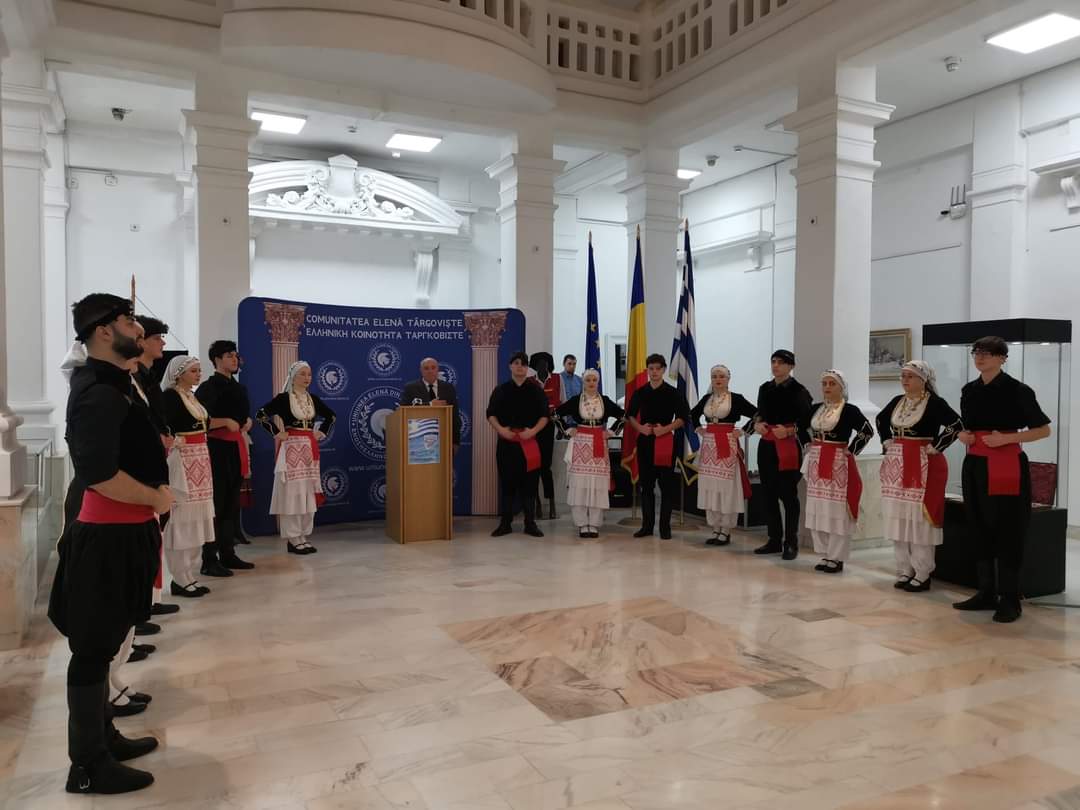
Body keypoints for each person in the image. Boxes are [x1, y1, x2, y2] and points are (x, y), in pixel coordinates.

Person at [48, 293, 171, 794]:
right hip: (106, 536)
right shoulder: (97, 391)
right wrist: (156, 497)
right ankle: (87, 765)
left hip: (127, 530)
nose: (138, 329)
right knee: (93, 649)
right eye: (128, 320)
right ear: (103, 331)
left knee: (106, 641)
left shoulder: (118, 382)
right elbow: (99, 474)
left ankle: (104, 737)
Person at [953, 336, 1052, 623]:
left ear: (1002, 358)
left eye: (987, 353)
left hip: (1006, 463)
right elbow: (966, 426)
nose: (980, 357)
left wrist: (1007, 439)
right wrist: (962, 435)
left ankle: (1010, 599)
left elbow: (1043, 430)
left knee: (1008, 529)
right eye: (976, 352)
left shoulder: (1018, 390)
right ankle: (986, 592)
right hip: (975, 464)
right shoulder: (969, 390)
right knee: (978, 525)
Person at [876, 360, 962, 592]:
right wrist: (886, 439)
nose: (905, 380)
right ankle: (904, 568)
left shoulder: (934, 403)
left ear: (923, 380)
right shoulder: (898, 401)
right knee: (899, 516)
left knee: (919, 517)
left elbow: (956, 424)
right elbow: (881, 419)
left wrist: (937, 446)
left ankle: (923, 572)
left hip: (924, 463)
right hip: (898, 463)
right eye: (903, 376)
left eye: (910, 376)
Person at [256, 361, 337, 554]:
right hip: (292, 449)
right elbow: (261, 415)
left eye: (309, 374)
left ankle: (303, 535)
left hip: (309, 449)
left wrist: (321, 432)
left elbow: (331, 416)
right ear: (293, 377)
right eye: (302, 374)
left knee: (307, 490)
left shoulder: (313, 399)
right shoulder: (284, 399)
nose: (307, 378)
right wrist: (277, 432)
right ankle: (293, 538)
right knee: (293, 492)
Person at [801, 369, 873, 573]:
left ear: (842, 387)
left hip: (837, 462)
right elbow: (799, 427)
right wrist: (807, 443)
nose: (827, 387)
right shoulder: (815, 408)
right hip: (817, 461)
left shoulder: (849, 410)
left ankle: (837, 556)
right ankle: (825, 553)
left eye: (832, 384)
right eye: (824, 383)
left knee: (836, 509)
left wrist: (852, 450)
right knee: (819, 507)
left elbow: (867, 431)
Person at [196, 340, 254, 575]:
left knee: (231, 503)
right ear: (217, 359)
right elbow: (199, 419)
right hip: (216, 448)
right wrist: (223, 422)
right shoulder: (207, 388)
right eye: (229, 355)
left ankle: (228, 553)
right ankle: (209, 558)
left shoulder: (239, 388)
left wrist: (246, 421)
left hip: (235, 447)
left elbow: (241, 415)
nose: (234, 359)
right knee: (217, 504)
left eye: (235, 355)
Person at [133, 316, 178, 621]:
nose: (162, 342)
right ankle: (140, 607)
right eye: (157, 337)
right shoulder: (131, 378)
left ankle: (152, 598)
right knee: (143, 536)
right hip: (140, 467)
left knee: (154, 533)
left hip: (156, 458)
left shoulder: (147, 376)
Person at [749, 350, 813, 559]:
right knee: (768, 493)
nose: (775, 365)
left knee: (788, 495)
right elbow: (760, 413)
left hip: (788, 445)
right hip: (767, 444)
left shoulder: (799, 391)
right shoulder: (765, 388)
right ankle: (774, 539)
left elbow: (807, 421)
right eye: (773, 361)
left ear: (790, 366)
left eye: (781, 362)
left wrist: (790, 430)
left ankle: (791, 542)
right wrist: (757, 424)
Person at [160, 355, 215, 597]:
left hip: (200, 459)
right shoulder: (170, 396)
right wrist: (175, 441)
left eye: (199, 370)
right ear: (178, 374)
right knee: (182, 517)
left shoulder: (192, 396)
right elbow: (163, 426)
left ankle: (189, 574)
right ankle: (179, 577)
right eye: (193, 371)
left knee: (198, 517)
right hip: (183, 460)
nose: (198, 374)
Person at [689, 365, 757, 546]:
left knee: (726, 487)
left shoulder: (736, 399)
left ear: (728, 379)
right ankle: (715, 527)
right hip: (709, 446)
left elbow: (758, 414)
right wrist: (698, 428)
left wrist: (743, 431)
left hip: (727, 444)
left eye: (721, 376)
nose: (717, 379)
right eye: (714, 376)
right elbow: (692, 414)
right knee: (711, 485)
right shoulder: (707, 399)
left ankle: (725, 530)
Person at [625, 354, 691, 540]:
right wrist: (641, 428)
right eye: (651, 369)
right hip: (645, 441)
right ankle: (647, 526)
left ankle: (665, 528)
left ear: (663, 370)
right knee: (646, 486)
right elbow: (630, 416)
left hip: (665, 441)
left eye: (657, 369)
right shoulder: (640, 392)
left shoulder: (673, 392)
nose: (654, 372)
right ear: (647, 370)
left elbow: (683, 418)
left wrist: (666, 429)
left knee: (666, 486)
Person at [487, 351, 550, 537]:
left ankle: (530, 523)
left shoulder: (536, 390)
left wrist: (533, 431)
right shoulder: (501, 390)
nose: (520, 367)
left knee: (530, 484)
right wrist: (501, 430)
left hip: (529, 442)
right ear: (510, 366)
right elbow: (491, 414)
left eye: (523, 364)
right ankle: (505, 523)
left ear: (527, 367)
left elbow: (545, 416)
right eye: (516, 363)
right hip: (507, 443)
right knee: (507, 483)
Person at [554, 368, 623, 537]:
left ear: (598, 382)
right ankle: (581, 523)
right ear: (583, 382)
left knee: (597, 485)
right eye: (588, 380)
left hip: (599, 443)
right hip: (581, 443)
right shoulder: (576, 400)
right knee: (580, 484)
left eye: (594, 380)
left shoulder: (604, 401)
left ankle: (594, 523)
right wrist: (567, 429)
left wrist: (612, 431)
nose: (591, 383)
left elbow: (623, 416)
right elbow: (555, 414)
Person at [400, 357, 462, 451]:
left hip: (444, 438)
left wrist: (456, 441)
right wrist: (430, 405)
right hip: (417, 440)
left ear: (437, 370)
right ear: (421, 370)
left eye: (433, 368)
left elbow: (454, 416)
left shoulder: (448, 388)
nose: (430, 371)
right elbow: (403, 409)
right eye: (426, 368)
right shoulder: (410, 388)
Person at [530, 351, 559, 519]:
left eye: (545, 363)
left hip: (549, 427)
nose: (543, 366)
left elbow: (562, 402)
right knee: (534, 466)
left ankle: (552, 502)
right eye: (539, 363)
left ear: (549, 365)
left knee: (546, 467)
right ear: (535, 366)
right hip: (533, 429)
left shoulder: (557, 379)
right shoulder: (529, 382)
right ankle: (537, 503)